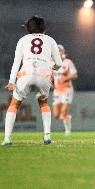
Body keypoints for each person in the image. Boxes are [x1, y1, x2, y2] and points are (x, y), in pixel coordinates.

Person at [2, 15, 62, 145]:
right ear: (44, 28)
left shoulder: (23, 39)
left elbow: (16, 62)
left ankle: (7, 138)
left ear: (29, 28)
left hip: (26, 74)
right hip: (44, 76)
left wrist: (12, 81)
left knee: (14, 104)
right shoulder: (50, 40)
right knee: (43, 103)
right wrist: (52, 68)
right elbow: (59, 62)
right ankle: (47, 136)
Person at [52, 44, 78, 135]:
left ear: (63, 52)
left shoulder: (68, 62)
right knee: (56, 115)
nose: (58, 52)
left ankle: (68, 131)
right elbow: (50, 76)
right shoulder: (52, 63)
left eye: (60, 50)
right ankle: (67, 117)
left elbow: (74, 75)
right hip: (57, 91)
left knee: (63, 112)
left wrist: (65, 78)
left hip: (67, 89)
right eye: (57, 50)